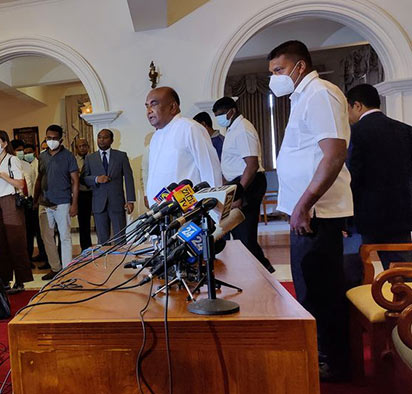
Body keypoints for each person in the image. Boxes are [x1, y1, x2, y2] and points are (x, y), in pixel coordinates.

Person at [268, 40, 352, 380]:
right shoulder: (303, 97)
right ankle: (321, 354)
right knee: (309, 289)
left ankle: (335, 363)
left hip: (317, 214)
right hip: (305, 213)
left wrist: (303, 206)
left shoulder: (320, 94)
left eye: (278, 71)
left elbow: (333, 155)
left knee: (322, 290)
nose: (274, 79)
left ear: (299, 66)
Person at [346, 83, 412, 269]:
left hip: (363, 213)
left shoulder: (354, 134)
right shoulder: (406, 130)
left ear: (357, 105)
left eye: (348, 109)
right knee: (403, 271)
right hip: (400, 212)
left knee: (354, 269)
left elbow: (353, 176)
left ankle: (360, 297)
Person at [212, 97, 275, 273]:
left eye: (220, 115)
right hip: (239, 183)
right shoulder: (233, 128)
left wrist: (239, 193)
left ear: (231, 111)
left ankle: (262, 270)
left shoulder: (243, 129)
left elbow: (252, 164)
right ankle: (259, 269)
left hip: (247, 183)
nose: (219, 118)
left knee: (244, 234)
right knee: (239, 233)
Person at [144, 87, 222, 207]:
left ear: (172, 107)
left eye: (154, 104)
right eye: (147, 106)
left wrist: (212, 210)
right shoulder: (155, 137)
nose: (149, 110)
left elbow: (210, 171)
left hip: (188, 211)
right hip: (162, 212)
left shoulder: (190, 128)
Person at [0, 131, 34, 293]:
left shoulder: (12, 160)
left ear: (5, 143)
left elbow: (20, 184)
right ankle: (4, 279)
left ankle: (20, 281)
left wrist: (2, 176)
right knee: (0, 244)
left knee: (15, 242)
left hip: (11, 203)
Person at [33, 124, 79, 280]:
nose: (51, 141)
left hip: (62, 202)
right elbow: (39, 179)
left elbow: (75, 181)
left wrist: (74, 203)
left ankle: (66, 270)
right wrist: (35, 199)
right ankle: (55, 268)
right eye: (48, 138)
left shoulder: (68, 156)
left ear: (61, 139)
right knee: (47, 236)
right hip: (44, 202)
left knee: (65, 236)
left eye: (54, 138)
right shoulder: (42, 156)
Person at [82, 129, 136, 244]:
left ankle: (121, 261)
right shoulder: (90, 158)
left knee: (120, 237)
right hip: (99, 203)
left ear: (111, 140)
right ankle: (104, 261)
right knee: (102, 239)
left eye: (105, 137)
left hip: (117, 202)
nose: (101, 140)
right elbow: (84, 178)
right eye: (99, 137)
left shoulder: (121, 156)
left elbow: (128, 178)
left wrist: (130, 200)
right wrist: (96, 179)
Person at [74, 137, 93, 251]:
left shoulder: (93, 158)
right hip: (81, 194)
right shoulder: (73, 160)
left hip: (94, 192)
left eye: (84, 145)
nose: (82, 148)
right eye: (80, 146)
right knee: (83, 223)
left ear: (88, 146)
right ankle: (85, 248)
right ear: (76, 148)